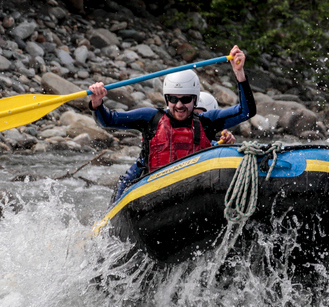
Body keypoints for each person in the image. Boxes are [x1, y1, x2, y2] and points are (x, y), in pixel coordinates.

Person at [88, 45, 255, 202]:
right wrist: (97, 102)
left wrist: (239, 73)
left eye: (186, 99)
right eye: (173, 99)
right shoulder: (150, 118)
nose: (179, 105)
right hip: (151, 194)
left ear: (195, 99)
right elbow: (109, 120)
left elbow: (246, 111)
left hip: (193, 193)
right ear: (167, 98)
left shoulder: (207, 121)